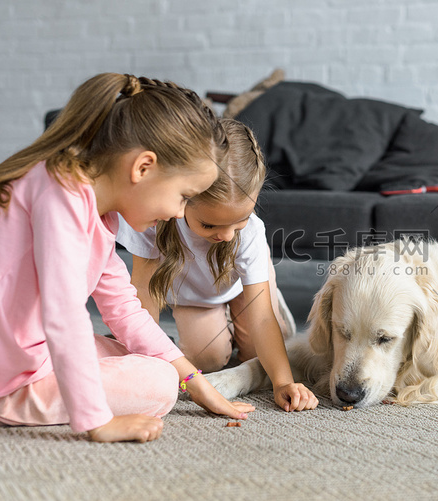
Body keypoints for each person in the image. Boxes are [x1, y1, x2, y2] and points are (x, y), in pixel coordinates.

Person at [0, 73, 256, 443]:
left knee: (151, 360)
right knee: (158, 384)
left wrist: (193, 380)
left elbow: (123, 308)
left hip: (22, 348)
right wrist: (97, 421)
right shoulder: (61, 199)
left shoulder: (95, 208)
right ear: (143, 168)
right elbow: (64, 316)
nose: (177, 213)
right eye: (184, 196)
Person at [117, 119, 318, 413]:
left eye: (239, 221)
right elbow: (144, 297)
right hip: (195, 296)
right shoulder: (154, 220)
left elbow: (262, 320)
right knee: (207, 360)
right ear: (184, 197)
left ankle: (268, 295)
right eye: (209, 224)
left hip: (241, 286)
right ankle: (221, 325)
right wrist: (145, 361)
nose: (225, 235)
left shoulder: (250, 234)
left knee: (261, 357)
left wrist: (283, 381)